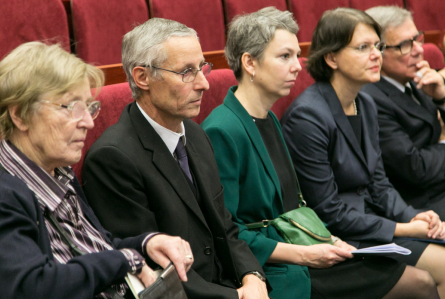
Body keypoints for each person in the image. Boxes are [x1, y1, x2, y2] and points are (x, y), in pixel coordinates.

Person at [202, 7, 438, 299]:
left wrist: (329, 240)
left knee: (421, 281)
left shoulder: (267, 117)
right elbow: (229, 232)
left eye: (294, 55)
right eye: (284, 56)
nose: (298, 66)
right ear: (250, 63)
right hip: (272, 266)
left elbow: (296, 208)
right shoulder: (223, 129)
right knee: (421, 283)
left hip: (305, 246)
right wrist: (306, 254)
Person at [82, 18, 268, 299]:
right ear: (143, 77)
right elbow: (151, 268)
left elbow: (225, 225)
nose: (204, 83)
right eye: (186, 72)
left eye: (202, 68)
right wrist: (237, 297)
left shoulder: (194, 134)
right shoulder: (112, 159)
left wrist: (252, 277)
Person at [0, 42, 193, 299]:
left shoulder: (60, 172)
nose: (89, 122)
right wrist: (124, 260)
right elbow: (32, 287)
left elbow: (95, 248)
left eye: (89, 107)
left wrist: (146, 244)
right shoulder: (6, 194)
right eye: (71, 107)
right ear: (20, 116)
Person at [281, 8, 445, 297]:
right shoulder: (307, 116)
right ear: (331, 58)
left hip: (373, 224)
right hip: (340, 238)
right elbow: (327, 210)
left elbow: (379, 182)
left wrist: (413, 217)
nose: (376, 55)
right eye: (363, 48)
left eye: (377, 46)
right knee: (435, 273)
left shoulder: (365, 103)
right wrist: (403, 229)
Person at [360, 6, 445, 217]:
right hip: (422, 204)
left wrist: (441, 99)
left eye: (417, 38)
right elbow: (416, 168)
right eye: (405, 44)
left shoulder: (417, 79)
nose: (418, 49)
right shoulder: (371, 98)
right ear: (377, 52)